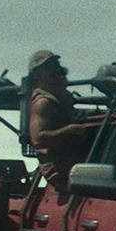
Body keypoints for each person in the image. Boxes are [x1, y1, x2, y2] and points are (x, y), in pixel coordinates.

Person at [26, 50, 88, 188]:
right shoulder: (43, 102)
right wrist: (70, 130)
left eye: (56, 64)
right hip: (59, 169)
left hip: (73, 162)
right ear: (37, 75)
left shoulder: (61, 95)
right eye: (48, 67)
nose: (55, 70)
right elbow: (38, 139)